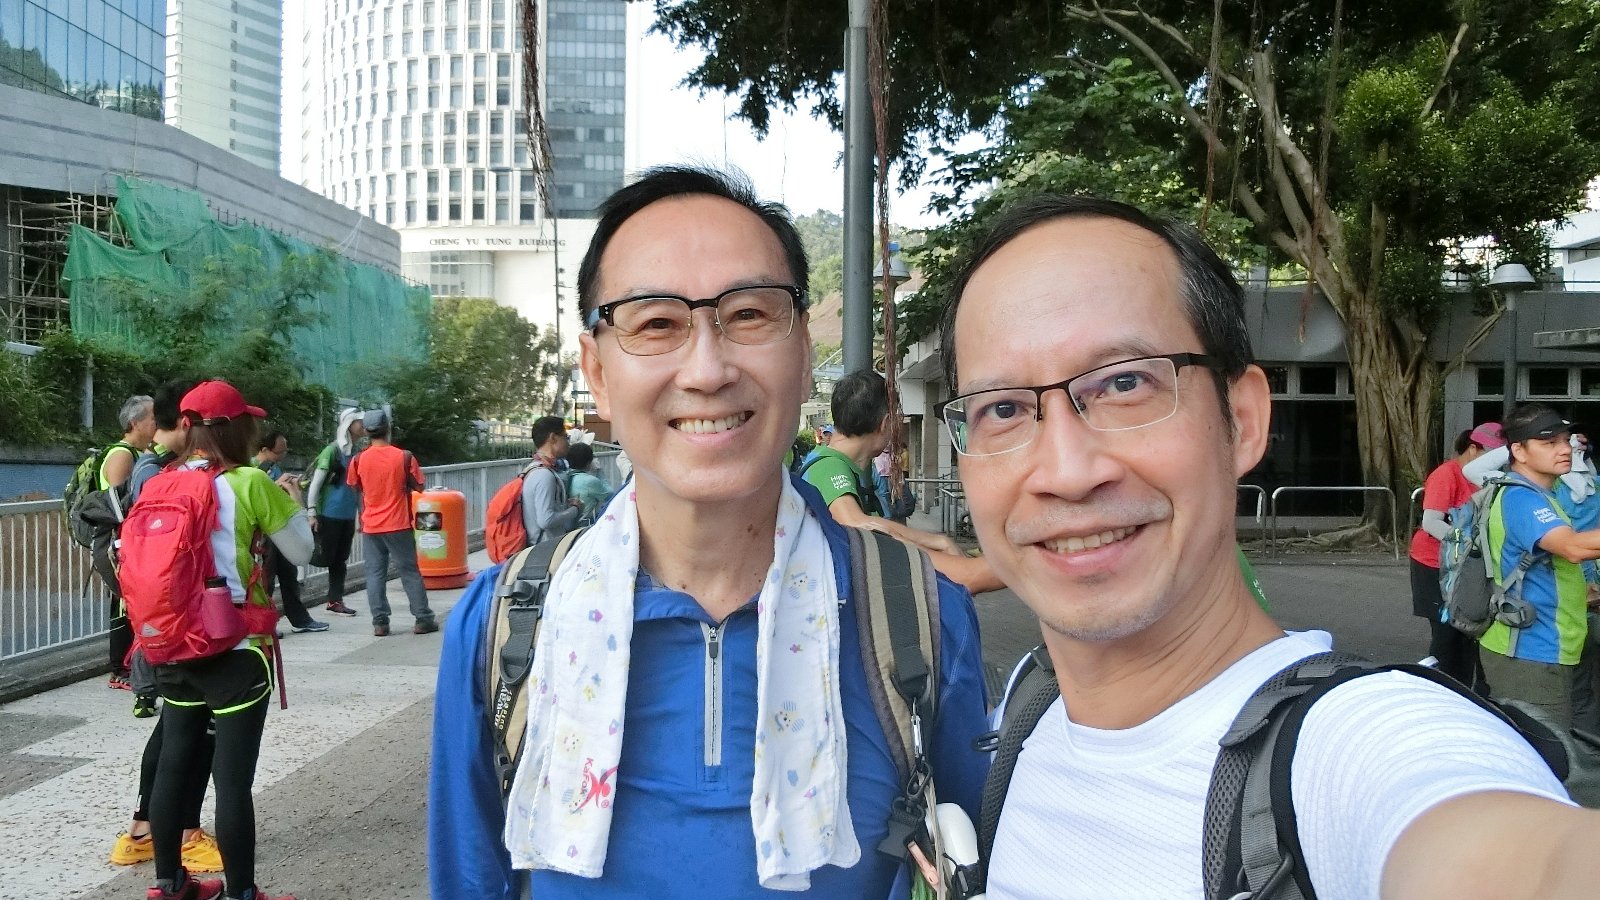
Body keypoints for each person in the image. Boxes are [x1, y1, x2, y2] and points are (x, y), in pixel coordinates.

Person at [939, 194, 1600, 898]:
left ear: (1245, 420)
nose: (1067, 472)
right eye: (1002, 409)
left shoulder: (1357, 754)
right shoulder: (1030, 704)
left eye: (1126, 383)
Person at [427, 165, 990, 899]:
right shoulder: (506, 628)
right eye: (656, 323)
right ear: (597, 372)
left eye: (749, 315)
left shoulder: (918, 618)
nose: (707, 369)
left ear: (802, 356)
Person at [145, 379, 310, 900]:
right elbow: (302, 552)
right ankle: (241, 893)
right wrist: (295, 501)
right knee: (232, 782)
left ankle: (169, 884)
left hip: (173, 642)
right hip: (232, 647)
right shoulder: (250, 482)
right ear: (238, 429)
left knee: (174, 763)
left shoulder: (161, 483)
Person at [110, 380, 221, 877]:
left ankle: (145, 830)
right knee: (187, 731)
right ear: (188, 422)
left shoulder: (153, 467)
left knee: (176, 727)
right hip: (176, 621)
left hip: (158, 618)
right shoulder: (160, 472)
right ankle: (178, 832)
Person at [801, 369, 1002, 593]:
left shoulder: (829, 462)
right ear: (885, 423)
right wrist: (939, 549)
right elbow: (856, 524)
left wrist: (937, 542)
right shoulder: (828, 466)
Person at [1473, 404, 1600, 729]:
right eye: (1549, 443)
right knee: (1546, 749)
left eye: (1566, 440)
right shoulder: (1522, 499)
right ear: (1519, 451)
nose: (1565, 449)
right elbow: (1573, 547)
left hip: (1546, 645)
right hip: (1529, 652)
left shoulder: (1542, 493)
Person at [1410, 423, 1504, 687]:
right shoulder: (1446, 474)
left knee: (1469, 631)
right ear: (1473, 449)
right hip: (1434, 562)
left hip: (1467, 565)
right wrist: (1468, 544)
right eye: (1490, 454)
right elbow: (1431, 523)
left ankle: (1464, 692)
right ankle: (1440, 690)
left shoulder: (1491, 476)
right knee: (1447, 634)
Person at [346, 409, 436, 637]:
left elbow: (355, 487)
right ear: (388, 428)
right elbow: (419, 486)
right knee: (409, 571)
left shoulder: (358, 460)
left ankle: (380, 623)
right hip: (398, 524)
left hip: (371, 526)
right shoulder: (404, 457)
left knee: (375, 574)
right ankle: (423, 618)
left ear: (366, 431)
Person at [101, 393, 157, 689]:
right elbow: (119, 504)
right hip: (119, 542)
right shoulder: (122, 454)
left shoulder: (137, 454)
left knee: (131, 602)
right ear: (135, 423)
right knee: (123, 603)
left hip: (130, 541)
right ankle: (119, 671)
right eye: (153, 418)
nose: (157, 424)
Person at [253, 432, 326, 634]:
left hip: (281, 529)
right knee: (266, 580)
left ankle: (300, 619)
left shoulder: (274, 467)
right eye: (279, 452)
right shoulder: (253, 469)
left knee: (289, 575)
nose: (282, 456)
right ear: (264, 449)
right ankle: (265, 624)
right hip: (265, 533)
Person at [304, 409, 365, 617]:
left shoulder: (356, 452)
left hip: (347, 514)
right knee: (324, 556)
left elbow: (358, 487)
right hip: (328, 513)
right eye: (359, 422)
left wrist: (361, 514)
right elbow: (316, 483)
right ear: (349, 424)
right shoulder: (332, 451)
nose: (363, 425)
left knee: (340, 560)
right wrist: (312, 512)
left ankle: (335, 600)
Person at [520, 415, 581, 544]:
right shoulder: (544, 475)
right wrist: (574, 509)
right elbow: (546, 520)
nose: (568, 443)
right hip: (546, 548)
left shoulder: (533, 469)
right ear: (553, 438)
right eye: (565, 437)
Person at [561, 441, 611, 521]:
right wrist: (599, 471)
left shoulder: (566, 477)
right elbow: (610, 495)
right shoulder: (590, 481)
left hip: (568, 522)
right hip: (586, 524)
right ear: (588, 462)